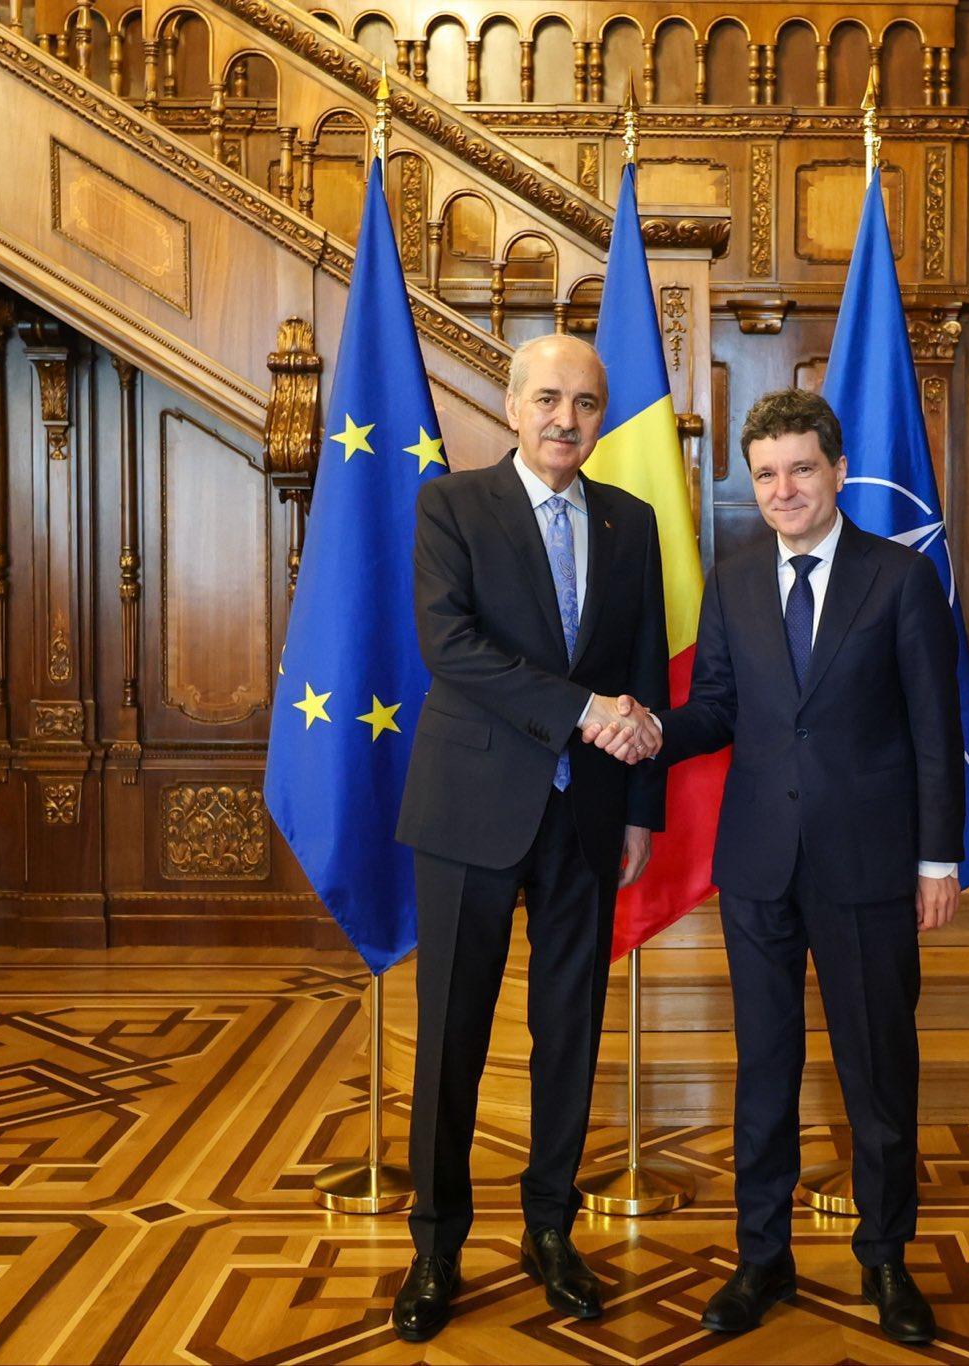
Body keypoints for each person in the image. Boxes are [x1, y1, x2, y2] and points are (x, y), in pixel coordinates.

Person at [591, 387, 961, 1345]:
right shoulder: (737, 577)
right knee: (764, 1068)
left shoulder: (900, 579)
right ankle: (763, 1258)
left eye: (801, 469)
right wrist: (652, 729)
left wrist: (937, 859)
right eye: (765, 475)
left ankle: (886, 1260)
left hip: (869, 866)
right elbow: (718, 707)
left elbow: (936, 729)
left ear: (838, 471)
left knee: (878, 1072)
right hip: (757, 863)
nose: (784, 489)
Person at [391, 333, 668, 1343]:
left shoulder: (631, 521)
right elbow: (451, 647)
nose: (565, 419)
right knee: (450, 1038)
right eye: (547, 398)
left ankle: (549, 1227)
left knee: (570, 1033)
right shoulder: (451, 506)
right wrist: (584, 711)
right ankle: (437, 1244)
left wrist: (640, 808)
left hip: (586, 817)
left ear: (600, 419)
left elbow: (645, 668)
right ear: (510, 407)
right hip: (469, 808)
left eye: (585, 403)